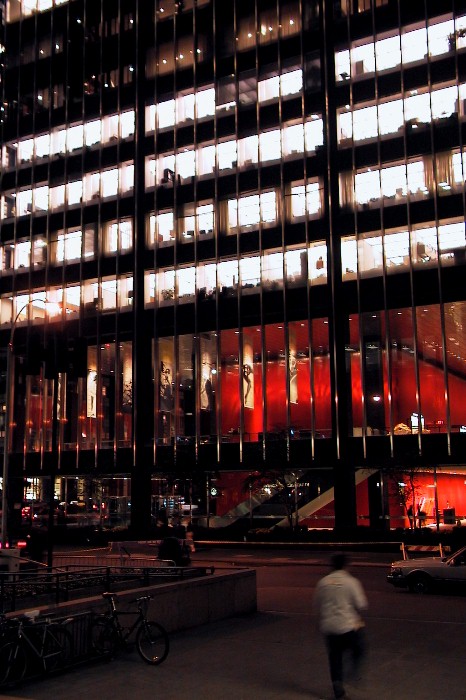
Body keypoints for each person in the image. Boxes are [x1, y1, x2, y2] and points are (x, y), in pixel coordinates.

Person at [313, 552, 368, 700]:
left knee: (334, 657)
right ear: (345, 565)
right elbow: (362, 604)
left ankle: (338, 686)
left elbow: (317, 604)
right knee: (359, 647)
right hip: (347, 626)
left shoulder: (323, 582)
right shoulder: (351, 582)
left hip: (329, 626)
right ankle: (353, 671)